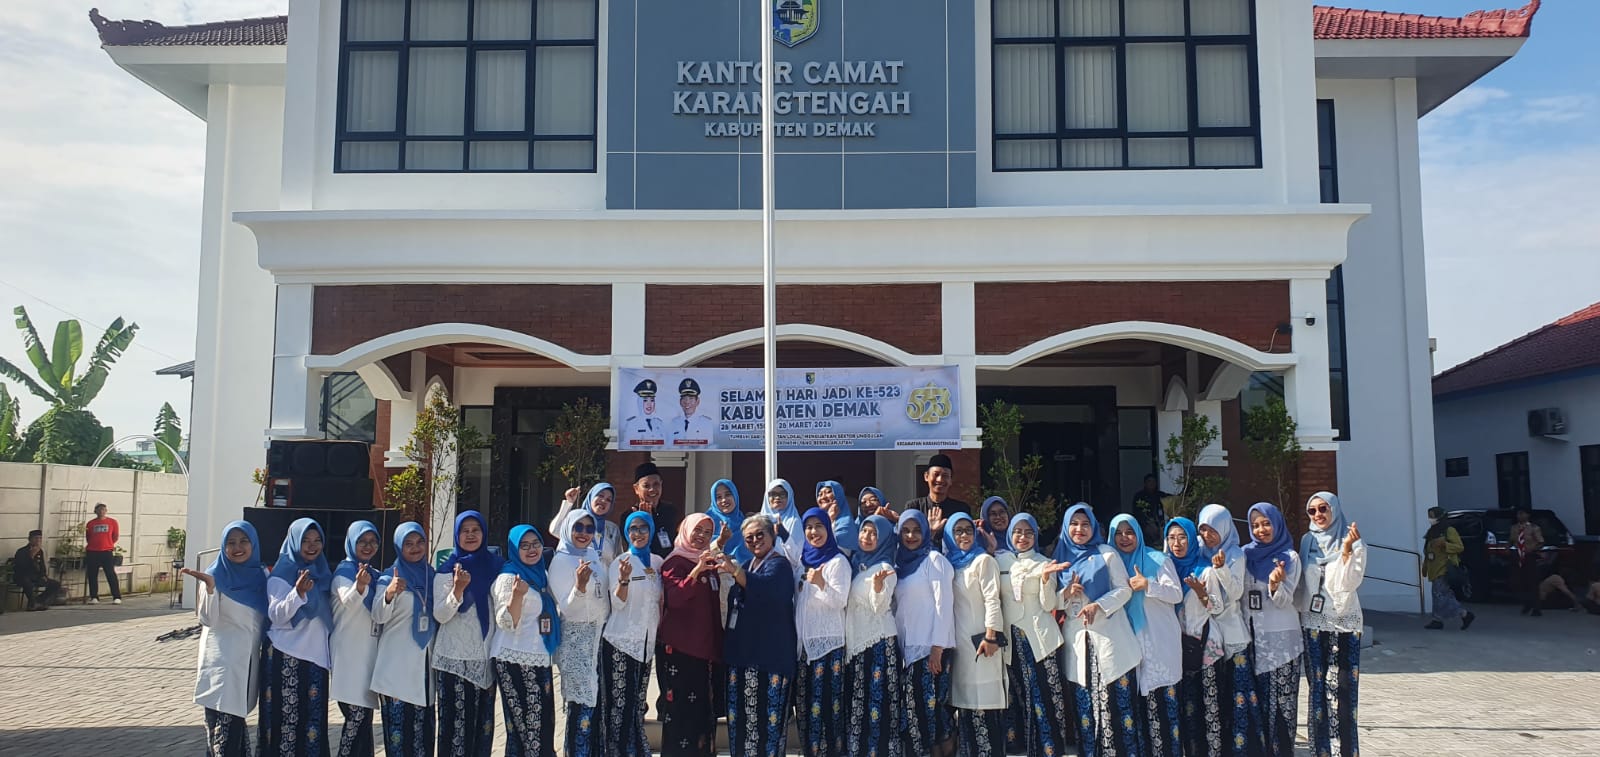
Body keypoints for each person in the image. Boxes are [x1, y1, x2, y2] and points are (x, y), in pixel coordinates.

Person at [1056, 503, 1144, 756]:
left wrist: (1099, 605)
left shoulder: (1106, 554)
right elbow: (1049, 601)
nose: (1079, 529)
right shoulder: (1059, 558)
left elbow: (1124, 589)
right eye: (1074, 524)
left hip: (1110, 638)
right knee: (1086, 711)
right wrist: (1065, 594)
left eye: (1085, 524)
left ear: (1094, 527)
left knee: (1117, 708)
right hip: (1078, 642)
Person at [182, 520, 267, 756]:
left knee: (237, 730)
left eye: (243, 541)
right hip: (222, 666)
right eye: (231, 543)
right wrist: (210, 589)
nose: (237, 548)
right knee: (222, 735)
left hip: (248, 662)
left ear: (253, 544)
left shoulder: (261, 575)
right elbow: (207, 619)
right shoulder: (214, 575)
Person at [721, 514, 798, 757]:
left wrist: (735, 571)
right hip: (742, 658)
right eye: (749, 538)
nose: (755, 540)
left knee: (766, 728)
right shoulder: (747, 566)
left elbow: (768, 592)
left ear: (772, 535)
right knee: (742, 725)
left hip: (769, 661)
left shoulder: (780, 565)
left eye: (759, 534)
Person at [1110, 513, 1183, 757]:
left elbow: (1176, 594)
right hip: (1127, 646)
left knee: (1162, 708)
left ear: (1139, 534)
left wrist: (1148, 585)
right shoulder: (1112, 564)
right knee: (1135, 711)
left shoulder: (1157, 559)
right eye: (1118, 533)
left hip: (1159, 643)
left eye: (1129, 532)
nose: (1124, 538)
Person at [1298, 491, 1365, 757]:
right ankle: (1320, 751)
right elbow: (1303, 583)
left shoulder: (1352, 540)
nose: (1318, 515)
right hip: (1312, 623)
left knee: (1342, 693)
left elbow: (1350, 583)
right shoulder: (1307, 540)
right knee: (1317, 693)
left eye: (1323, 508)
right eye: (1312, 511)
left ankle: (1343, 752)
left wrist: (1347, 551)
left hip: (1342, 624)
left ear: (1334, 509)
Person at [261, 517, 334, 756]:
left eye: (317, 540)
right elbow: (276, 615)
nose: (312, 546)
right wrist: (298, 592)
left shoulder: (323, 573)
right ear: (294, 542)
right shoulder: (282, 573)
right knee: (286, 724)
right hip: (287, 657)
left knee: (313, 725)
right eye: (305, 541)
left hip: (316, 659)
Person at [433, 510, 503, 757]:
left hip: (485, 659)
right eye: (465, 531)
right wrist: (457, 590)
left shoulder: (496, 567)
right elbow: (441, 615)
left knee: (483, 732)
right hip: (455, 660)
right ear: (457, 535)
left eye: (476, 530)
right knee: (456, 734)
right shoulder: (447, 570)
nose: (471, 535)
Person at [657, 513, 724, 757]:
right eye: (697, 530)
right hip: (681, 650)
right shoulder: (675, 562)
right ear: (685, 530)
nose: (701, 536)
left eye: (707, 533)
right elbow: (675, 599)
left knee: (704, 714)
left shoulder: (708, 561)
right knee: (681, 713)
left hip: (706, 650)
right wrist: (696, 572)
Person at [1195, 503, 1258, 757]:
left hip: (1232, 635)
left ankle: (1242, 749)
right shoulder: (1199, 551)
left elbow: (1236, 593)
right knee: (1214, 696)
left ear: (1224, 528)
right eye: (1203, 529)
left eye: (1212, 530)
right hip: (1207, 637)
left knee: (1239, 695)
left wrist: (1220, 569)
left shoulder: (1235, 554)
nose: (1207, 535)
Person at [491, 524, 560, 756]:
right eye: (524, 545)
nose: (531, 550)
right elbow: (505, 621)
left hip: (539, 657)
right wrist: (517, 596)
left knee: (543, 725)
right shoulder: (508, 577)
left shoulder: (542, 574)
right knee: (528, 729)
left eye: (536, 544)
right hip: (515, 658)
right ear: (514, 548)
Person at [944, 513, 1007, 757]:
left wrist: (991, 636)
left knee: (985, 706)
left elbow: (993, 599)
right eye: (957, 530)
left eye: (968, 530)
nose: (964, 535)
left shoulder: (983, 561)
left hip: (982, 644)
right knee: (967, 707)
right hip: (960, 646)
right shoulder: (950, 564)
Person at [893, 509, 955, 757]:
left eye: (917, 530)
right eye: (906, 531)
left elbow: (944, 605)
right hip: (909, 647)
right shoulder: (900, 563)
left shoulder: (934, 560)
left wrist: (937, 648)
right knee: (917, 709)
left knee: (932, 708)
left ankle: (945, 750)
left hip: (931, 647)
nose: (911, 536)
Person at [1241, 503, 1302, 756]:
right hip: (1253, 638)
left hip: (1282, 642)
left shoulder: (1289, 557)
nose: (1261, 530)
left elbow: (1286, 600)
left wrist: (1276, 585)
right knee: (1256, 704)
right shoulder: (1245, 555)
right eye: (1255, 525)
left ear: (1276, 524)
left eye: (1266, 523)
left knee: (1281, 706)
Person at [601, 511, 664, 756]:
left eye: (643, 528)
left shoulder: (657, 562)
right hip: (621, 642)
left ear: (651, 530)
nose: (638, 533)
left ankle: (636, 748)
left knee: (637, 703)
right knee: (619, 705)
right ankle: (617, 751)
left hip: (646, 645)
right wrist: (624, 580)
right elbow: (617, 604)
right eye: (632, 529)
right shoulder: (621, 562)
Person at [371, 522, 435, 757]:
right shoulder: (389, 577)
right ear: (399, 546)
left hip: (424, 668)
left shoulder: (431, 575)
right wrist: (389, 594)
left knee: (423, 737)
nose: (415, 548)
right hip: (396, 670)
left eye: (419, 542)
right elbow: (378, 615)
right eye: (408, 543)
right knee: (400, 739)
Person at [550, 510, 611, 757]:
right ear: (568, 529)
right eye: (578, 527)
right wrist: (579, 586)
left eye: (589, 528)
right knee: (580, 709)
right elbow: (567, 608)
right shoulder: (560, 561)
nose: (584, 533)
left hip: (598, 637)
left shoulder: (592, 555)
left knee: (595, 709)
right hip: (575, 641)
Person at [1165, 516, 1224, 757]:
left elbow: (1218, 608)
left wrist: (1201, 593)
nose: (1177, 543)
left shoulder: (1205, 570)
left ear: (1192, 540)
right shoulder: (1166, 570)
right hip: (1178, 649)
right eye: (1171, 538)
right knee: (1185, 707)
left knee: (1209, 708)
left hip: (1206, 649)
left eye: (1182, 537)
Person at [794, 507, 851, 756]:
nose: (813, 532)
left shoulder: (838, 562)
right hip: (804, 649)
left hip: (828, 648)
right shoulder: (801, 562)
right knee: (805, 711)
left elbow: (840, 601)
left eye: (819, 526)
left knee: (828, 710)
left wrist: (821, 583)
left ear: (828, 528)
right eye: (808, 527)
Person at [843, 513, 901, 757]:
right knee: (861, 701)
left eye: (874, 533)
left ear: (884, 538)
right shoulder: (858, 563)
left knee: (877, 703)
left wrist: (877, 587)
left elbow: (880, 606)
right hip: (860, 644)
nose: (867, 537)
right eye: (864, 531)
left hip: (878, 644)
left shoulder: (885, 567)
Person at [330, 521, 382, 757]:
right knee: (356, 719)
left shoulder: (374, 574)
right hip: (349, 657)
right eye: (362, 541)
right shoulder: (344, 573)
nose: (368, 546)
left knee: (364, 722)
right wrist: (360, 586)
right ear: (351, 542)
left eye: (372, 542)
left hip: (367, 657)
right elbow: (348, 601)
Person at [1423, 506, 1474, 630]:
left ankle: (1462, 614)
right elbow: (1428, 551)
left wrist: (1444, 545)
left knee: (1439, 594)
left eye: (1432, 516)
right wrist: (1424, 567)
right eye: (1429, 516)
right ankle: (1439, 619)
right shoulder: (1431, 532)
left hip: (1445, 567)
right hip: (1434, 568)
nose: (1430, 518)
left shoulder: (1449, 530)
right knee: (1440, 594)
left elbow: (1459, 547)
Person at [550, 483, 624, 564]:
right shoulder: (576, 521)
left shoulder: (612, 529)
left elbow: (618, 560)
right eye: (600, 495)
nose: (603, 501)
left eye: (608, 500)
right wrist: (569, 503)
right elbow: (555, 530)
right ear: (591, 497)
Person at [904, 454, 972, 542]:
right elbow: (908, 540)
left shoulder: (961, 509)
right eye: (936, 474)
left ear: (951, 480)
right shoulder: (914, 507)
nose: (940, 479)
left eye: (945, 475)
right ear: (926, 476)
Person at [632, 462, 683, 560]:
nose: (652, 489)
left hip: (670, 564)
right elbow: (634, 545)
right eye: (646, 486)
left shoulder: (672, 511)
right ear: (636, 489)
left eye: (656, 484)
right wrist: (645, 521)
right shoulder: (631, 515)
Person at [12, 529, 61, 611]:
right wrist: (31, 557)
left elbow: (42, 566)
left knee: (55, 584)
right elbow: (21, 567)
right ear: (30, 539)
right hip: (22, 576)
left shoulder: (40, 551)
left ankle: (39, 601)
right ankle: (32, 604)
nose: (38, 540)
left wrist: (43, 575)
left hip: (35, 577)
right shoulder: (22, 551)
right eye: (36, 538)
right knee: (27, 582)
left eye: (40, 538)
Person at [706, 478, 750, 565]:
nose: (724, 500)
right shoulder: (706, 522)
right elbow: (701, 551)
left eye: (728, 494)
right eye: (719, 497)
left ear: (735, 496)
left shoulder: (745, 523)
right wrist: (721, 540)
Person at [84, 502, 122, 604]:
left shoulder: (112, 522)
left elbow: (115, 536)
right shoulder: (90, 523)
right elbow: (88, 537)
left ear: (106, 511)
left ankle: (116, 596)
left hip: (106, 551)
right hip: (92, 551)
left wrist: (108, 544)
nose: (101, 511)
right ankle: (94, 597)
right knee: (92, 574)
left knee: (110, 574)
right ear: (95, 511)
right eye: (99, 509)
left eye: (103, 509)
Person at [1511, 507, 1545, 616]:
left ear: (1528, 515)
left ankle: (1536, 608)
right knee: (1521, 581)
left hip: (1530, 556)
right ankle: (1527, 603)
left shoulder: (1534, 528)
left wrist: (1532, 549)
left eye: (1522, 513)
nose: (1520, 516)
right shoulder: (1514, 528)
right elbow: (1512, 540)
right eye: (1518, 514)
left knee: (1533, 582)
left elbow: (1540, 542)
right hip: (1518, 556)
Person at [763, 479, 804, 568]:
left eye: (782, 494)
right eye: (773, 494)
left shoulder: (794, 521)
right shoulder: (760, 521)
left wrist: (785, 536)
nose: (777, 498)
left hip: (785, 570)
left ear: (789, 497)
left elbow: (797, 558)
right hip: (762, 570)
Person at [816, 480, 859, 553]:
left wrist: (830, 519)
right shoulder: (815, 520)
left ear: (838, 495)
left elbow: (835, 552)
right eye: (820, 494)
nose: (823, 497)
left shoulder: (845, 525)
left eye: (828, 492)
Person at [671, 378, 716, 446]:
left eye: (691, 398)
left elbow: (709, 447)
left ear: (697, 401)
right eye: (684, 398)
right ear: (680, 402)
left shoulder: (706, 423)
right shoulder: (673, 423)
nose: (687, 402)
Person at [1130, 475, 1169, 547]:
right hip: (1145, 526)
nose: (1151, 484)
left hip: (1160, 525)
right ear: (1145, 483)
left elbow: (1172, 499)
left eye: (1153, 482)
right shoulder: (1139, 496)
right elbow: (1137, 513)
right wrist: (1148, 523)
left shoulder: (1160, 495)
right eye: (1149, 481)